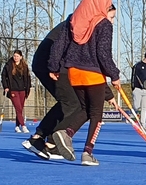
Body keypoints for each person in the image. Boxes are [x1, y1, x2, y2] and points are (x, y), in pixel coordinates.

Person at [23, 18, 116, 160]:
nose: (112, 21)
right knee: (74, 104)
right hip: (54, 65)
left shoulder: (82, 18)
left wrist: (107, 93)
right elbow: (95, 60)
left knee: (69, 102)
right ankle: (43, 139)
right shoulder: (88, 22)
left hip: (49, 63)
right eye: (112, 16)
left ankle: (47, 142)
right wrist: (108, 91)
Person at [48, 0, 121, 167]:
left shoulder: (75, 19)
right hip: (92, 73)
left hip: (73, 72)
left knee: (84, 109)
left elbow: (58, 45)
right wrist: (115, 75)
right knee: (96, 114)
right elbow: (103, 54)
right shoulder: (104, 24)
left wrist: (53, 66)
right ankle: (87, 152)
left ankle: (66, 133)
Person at [1, 50, 32, 133]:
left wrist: (28, 88)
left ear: (21, 57)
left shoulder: (24, 66)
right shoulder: (8, 65)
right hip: (13, 90)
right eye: (14, 56)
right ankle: (23, 126)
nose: (15, 57)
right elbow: (3, 76)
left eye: (17, 56)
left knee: (20, 109)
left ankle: (17, 126)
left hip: (22, 90)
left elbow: (28, 78)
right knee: (18, 108)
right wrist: (6, 86)